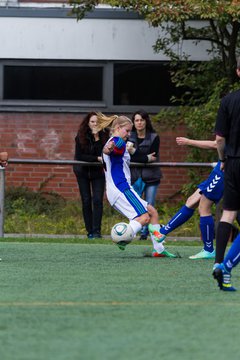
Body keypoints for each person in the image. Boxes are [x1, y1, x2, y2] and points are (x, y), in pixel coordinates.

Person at [97, 112, 177, 258]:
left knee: (152, 212)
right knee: (144, 217)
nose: (128, 134)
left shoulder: (116, 141)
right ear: (118, 127)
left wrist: (108, 148)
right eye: (127, 131)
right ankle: (122, 237)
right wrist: (108, 148)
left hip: (118, 189)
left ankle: (158, 250)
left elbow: (110, 149)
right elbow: (110, 148)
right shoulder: (117, 141)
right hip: (121, 189)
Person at [157, 137, 225, 260]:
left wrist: (189, 142)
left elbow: (217, 143)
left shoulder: (231, 122)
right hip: (220, 169)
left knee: (204, 207)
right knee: (191, 201)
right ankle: (163, 232)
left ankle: (209, 250)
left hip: (225, 169)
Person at [212, 58, 240, 291]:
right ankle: (227, 267)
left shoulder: (228, 100)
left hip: (231, 164)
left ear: (238, 72)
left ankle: (218, 262)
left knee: (228, 215)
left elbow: (220, 139)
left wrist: (222, 160)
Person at [73, 112, 109, 239]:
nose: (95, 124)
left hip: (98, 172)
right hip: (82, 172)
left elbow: (104, 154)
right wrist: (96, 158)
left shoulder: (105, 136)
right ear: (88, 123)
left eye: (97, 122)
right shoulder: (80, 136)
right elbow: (80, 156)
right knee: (86, 200)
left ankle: (96, 231)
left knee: (98, 200)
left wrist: (97, 137)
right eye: (92, 122)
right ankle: (89, 231)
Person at [128, 110, 162, 240]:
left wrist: (134, 152)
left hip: (151, 176)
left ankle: (145, 232)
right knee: (136, 205)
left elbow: (153, 157)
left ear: (146, 121)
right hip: (134, 176)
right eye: (136, 120)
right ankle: (134, 230)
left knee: (150, 204)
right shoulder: (129, 136)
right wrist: (144, 157)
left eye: (141, 120)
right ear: (133, 122)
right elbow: (128, 158)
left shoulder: (154, 137)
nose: (139, 123)